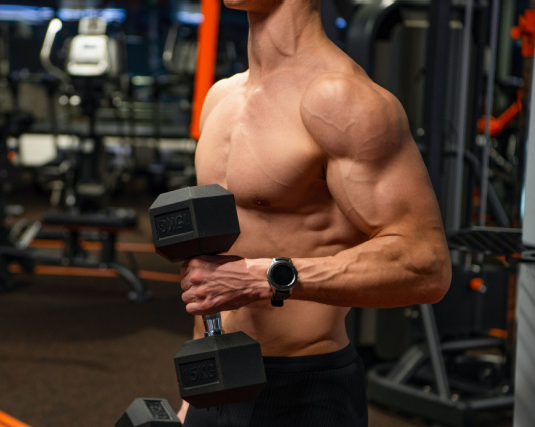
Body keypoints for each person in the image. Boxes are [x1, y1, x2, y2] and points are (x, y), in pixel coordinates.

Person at [177, 0, 452, 425]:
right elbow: (210, 265)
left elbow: (426, 264)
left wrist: (265, 276)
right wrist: (192, 399)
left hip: (303, 389)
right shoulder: (221, 97)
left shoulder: (341, 99)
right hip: (216, 381)